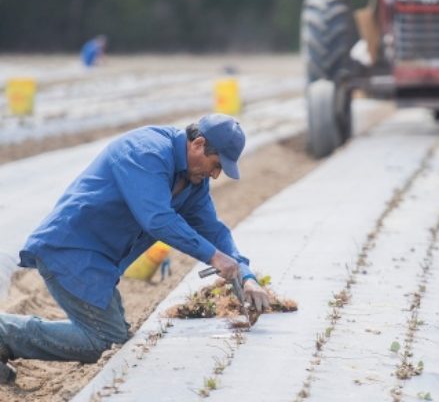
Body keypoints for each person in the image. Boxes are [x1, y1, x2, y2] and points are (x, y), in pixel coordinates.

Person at [0, 114, 270, 383]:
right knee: (106, 341)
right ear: (198, 144)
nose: (215, 174)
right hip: (71, 250)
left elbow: (215, 231)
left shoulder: (193, 184)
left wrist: (246, 276)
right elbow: (157, 219)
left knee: (111, 336)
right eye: (216, 165)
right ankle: (4, 334)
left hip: (101, 263)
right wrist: (213, 257)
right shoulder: (146, 151)